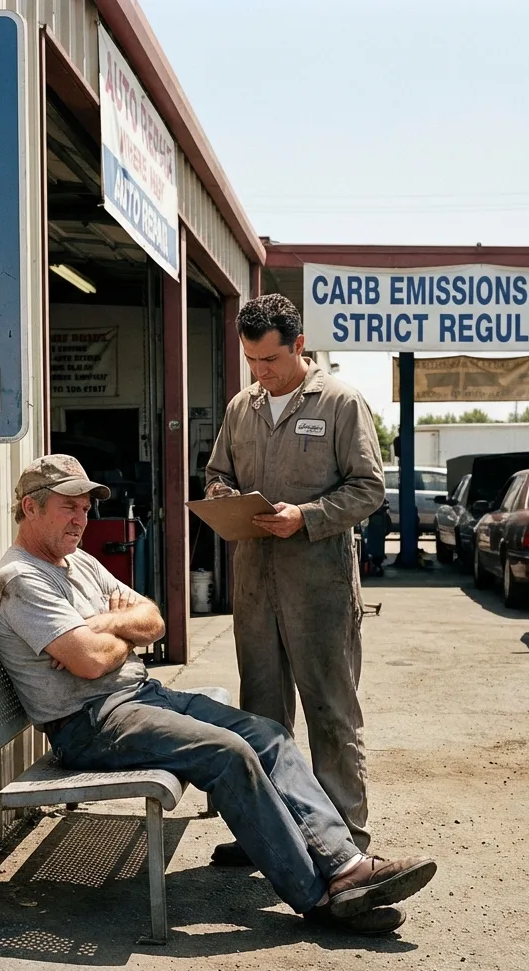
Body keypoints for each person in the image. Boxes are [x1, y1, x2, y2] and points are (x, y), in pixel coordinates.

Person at [0, 454, 437, 937]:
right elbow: (90, 662)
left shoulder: (79, 563)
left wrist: (105, 626)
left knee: (267, 734)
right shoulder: (21, 579)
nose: (81, 519)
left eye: (85, 508)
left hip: (139, 696)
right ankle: (318, 897)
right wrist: (119, 634)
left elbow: (154, 619)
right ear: (30, 508)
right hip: (91, 722)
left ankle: (345, 866)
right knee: (227, 753)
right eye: (67, 507)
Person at [205, 294, 385, 861]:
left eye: (271, 361)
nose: (261, 373)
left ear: (299, 346)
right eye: (252, 361)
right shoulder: (242, 408)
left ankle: (344, 844)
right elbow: (216, 474)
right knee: (261, 714)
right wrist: (224, 499)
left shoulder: (340, 403)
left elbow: (368, 488)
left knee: (331, 712)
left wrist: (304, 518)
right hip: (256, 586)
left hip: (320, 589)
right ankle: (268, 834)